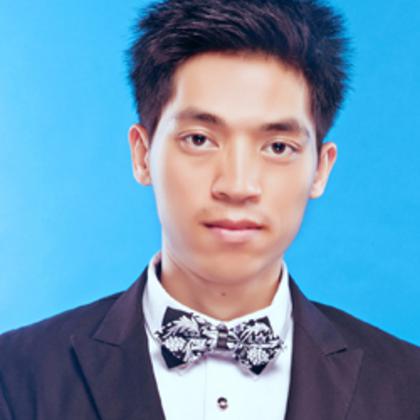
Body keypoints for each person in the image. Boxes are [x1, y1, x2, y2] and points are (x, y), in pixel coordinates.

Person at [1, 0, 419, 418]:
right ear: (143, 155)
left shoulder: (407, 384)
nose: (237, 186)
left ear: (320, 170)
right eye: (199, 139)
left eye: (278, 147)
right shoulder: (16, 374)